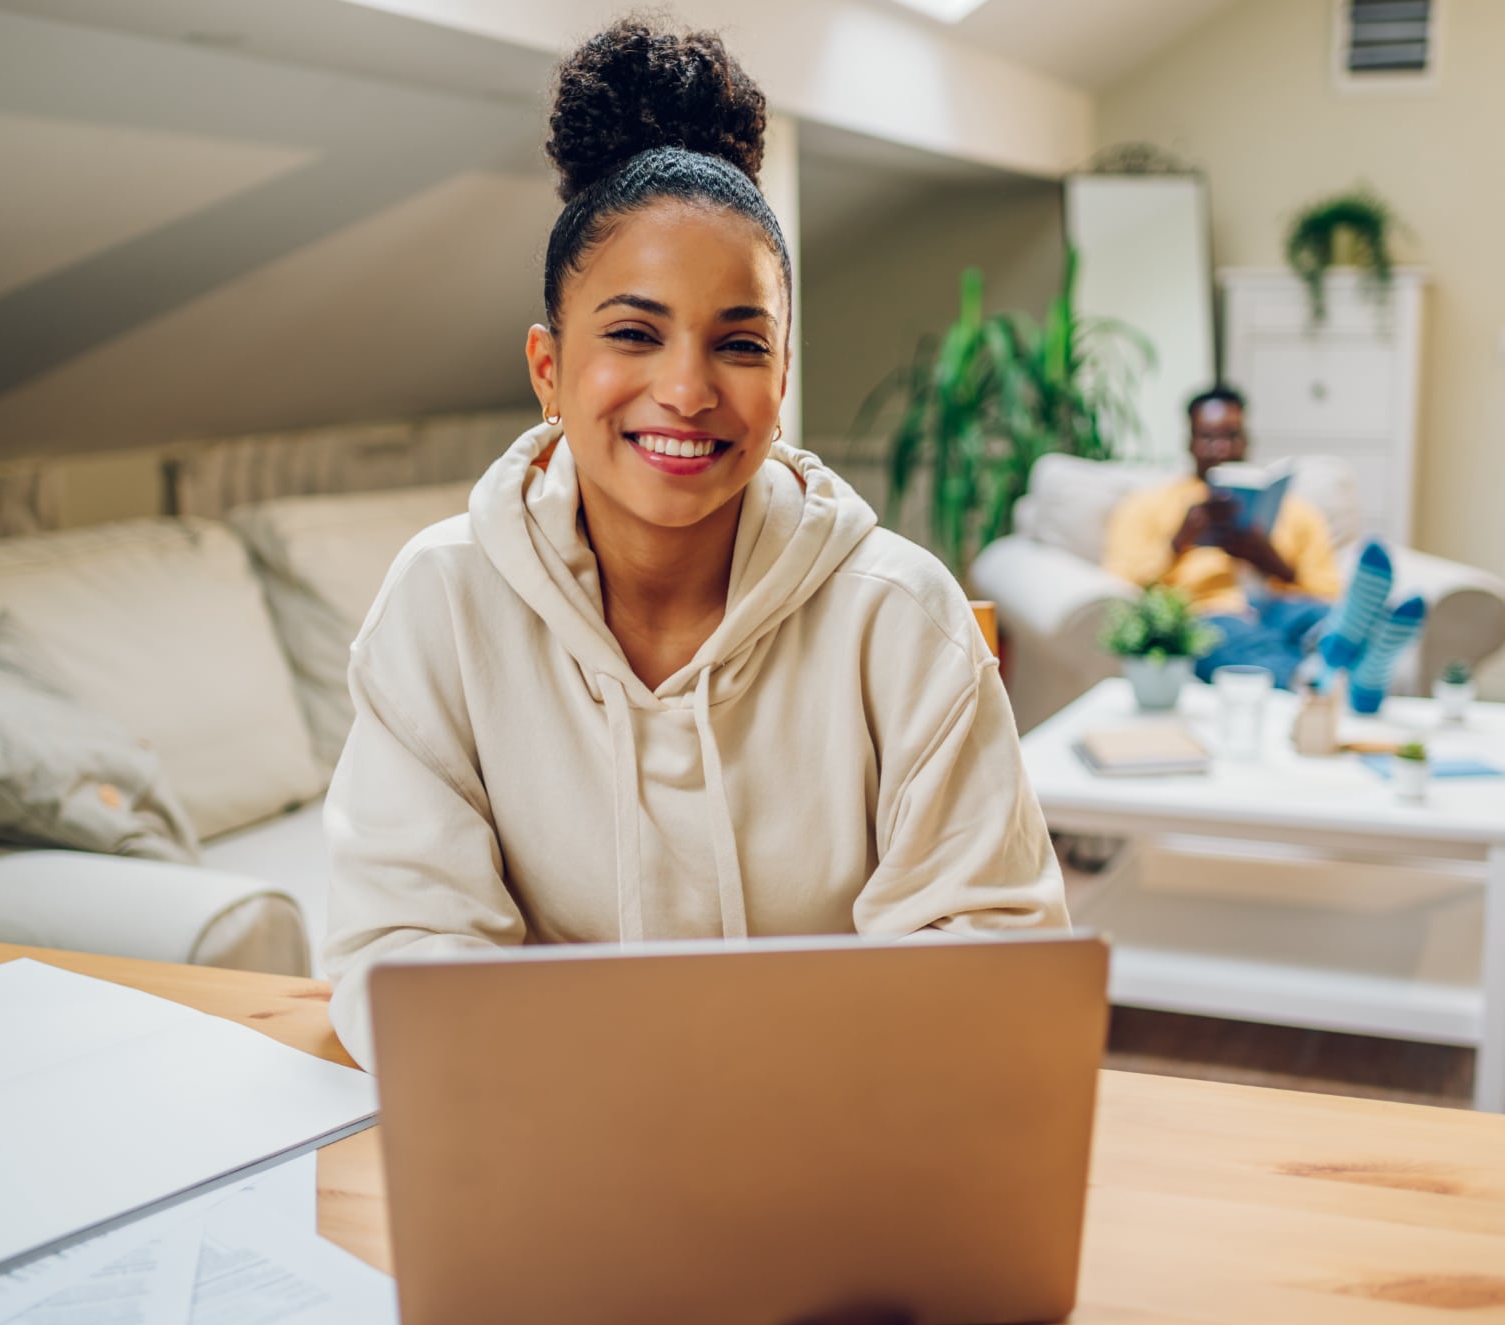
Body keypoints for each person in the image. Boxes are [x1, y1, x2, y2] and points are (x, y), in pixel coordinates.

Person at [320, 18, 1067, 1071]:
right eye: (632, 333)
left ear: (783, 371)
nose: (685, 388)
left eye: (738, 343)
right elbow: (400, 945)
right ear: (548, 365)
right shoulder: (441, 602)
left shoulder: (898, 615)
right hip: (540, 1147)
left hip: (832, 1153)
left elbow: (989, 959)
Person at [1102, 385, 1344, 688]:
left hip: (1280, 609)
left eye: (1231, 436)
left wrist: (1268, 559)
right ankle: (1319, 681)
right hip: (1209, 614)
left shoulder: (1293, 510)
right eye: (1208, 437)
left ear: (1246, 440)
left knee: (1327, 617)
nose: (1221, 449)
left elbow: (1327, 590)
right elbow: (1120, 583)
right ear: (1189, 443)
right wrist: (1178, 542)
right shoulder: (1148, 506)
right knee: (1223, 638)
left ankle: (1338, 653)